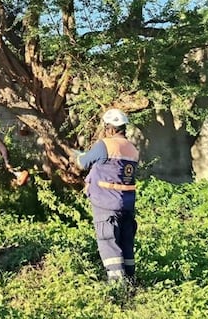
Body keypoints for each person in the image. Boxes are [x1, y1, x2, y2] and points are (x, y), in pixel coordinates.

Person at [74, 108, 139, 283]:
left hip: (106, 202)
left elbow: (83, 163)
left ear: (109, 128)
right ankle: (131, 282)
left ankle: (117, 287)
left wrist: (77, 155)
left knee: (108, 241)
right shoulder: (132, 149)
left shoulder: (105, 144)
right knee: (126, 244)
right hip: (127, 204)